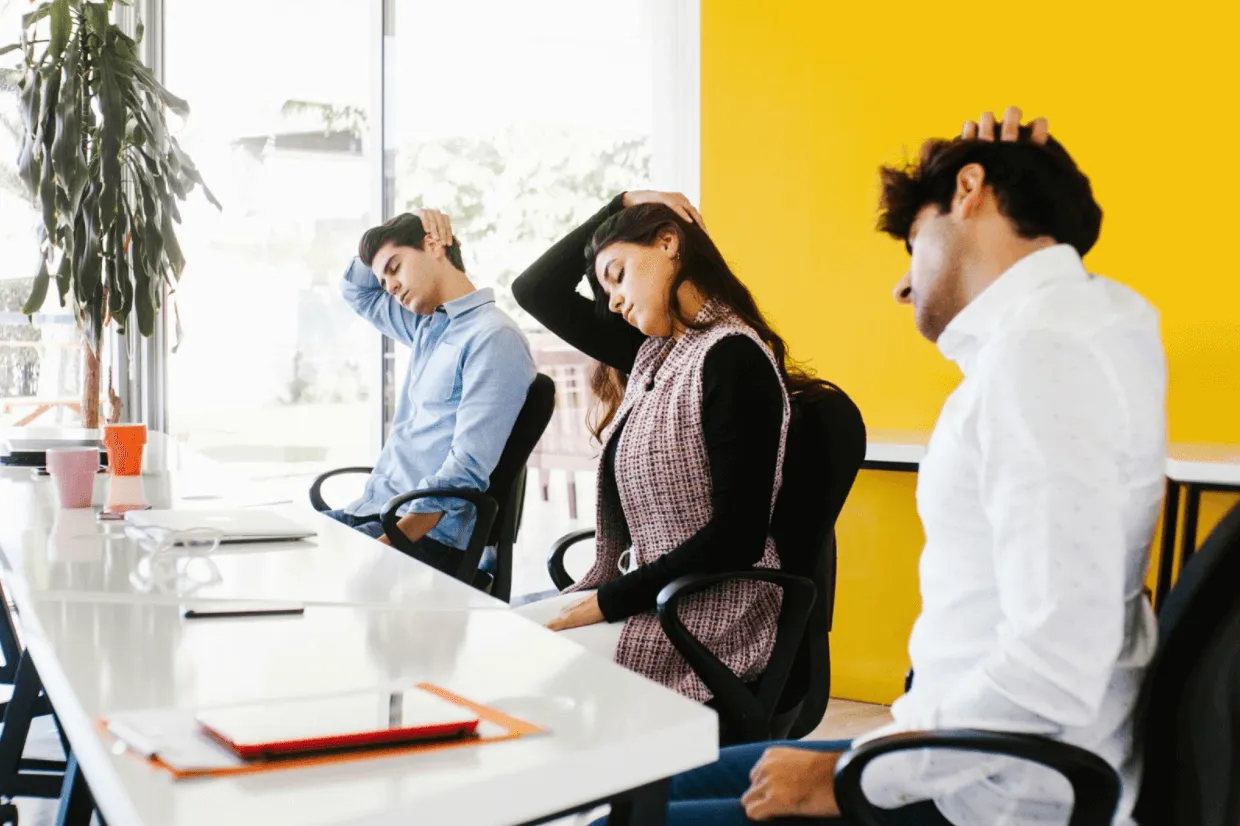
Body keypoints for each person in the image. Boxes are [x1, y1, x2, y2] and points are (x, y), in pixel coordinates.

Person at [635, 106, 1167, 826]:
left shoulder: (1044, 353)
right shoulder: (1091, 324)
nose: (903, 285)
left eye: (915, 238)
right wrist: (1034, 188)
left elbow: (1054, 662)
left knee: (621, 816)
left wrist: (853, 779)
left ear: (970, 191)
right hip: (963, 756)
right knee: (636, 788)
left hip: (984, 794)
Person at [510, 190, 835, 702]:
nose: (613, 301)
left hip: (710, 617)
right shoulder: (655, 357)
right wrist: (621, 201)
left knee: (520, 672)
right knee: (496, 645)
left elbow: (737, 537)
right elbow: (534, 290)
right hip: (653, 598)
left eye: (617, 274)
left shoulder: (732, 357)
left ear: (668, 243)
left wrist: (608, 601)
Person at [325, 210, 536, 578]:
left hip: (419, 537)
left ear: (434, 245)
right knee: (279, 542)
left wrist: (384, 550)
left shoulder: (493, 338)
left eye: (395, 267)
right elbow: (356, 290)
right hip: (371, 511)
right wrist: (404, 218)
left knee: (297, 576)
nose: (388, 286)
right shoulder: (426, 326)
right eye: (383, 278)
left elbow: (464, 472)